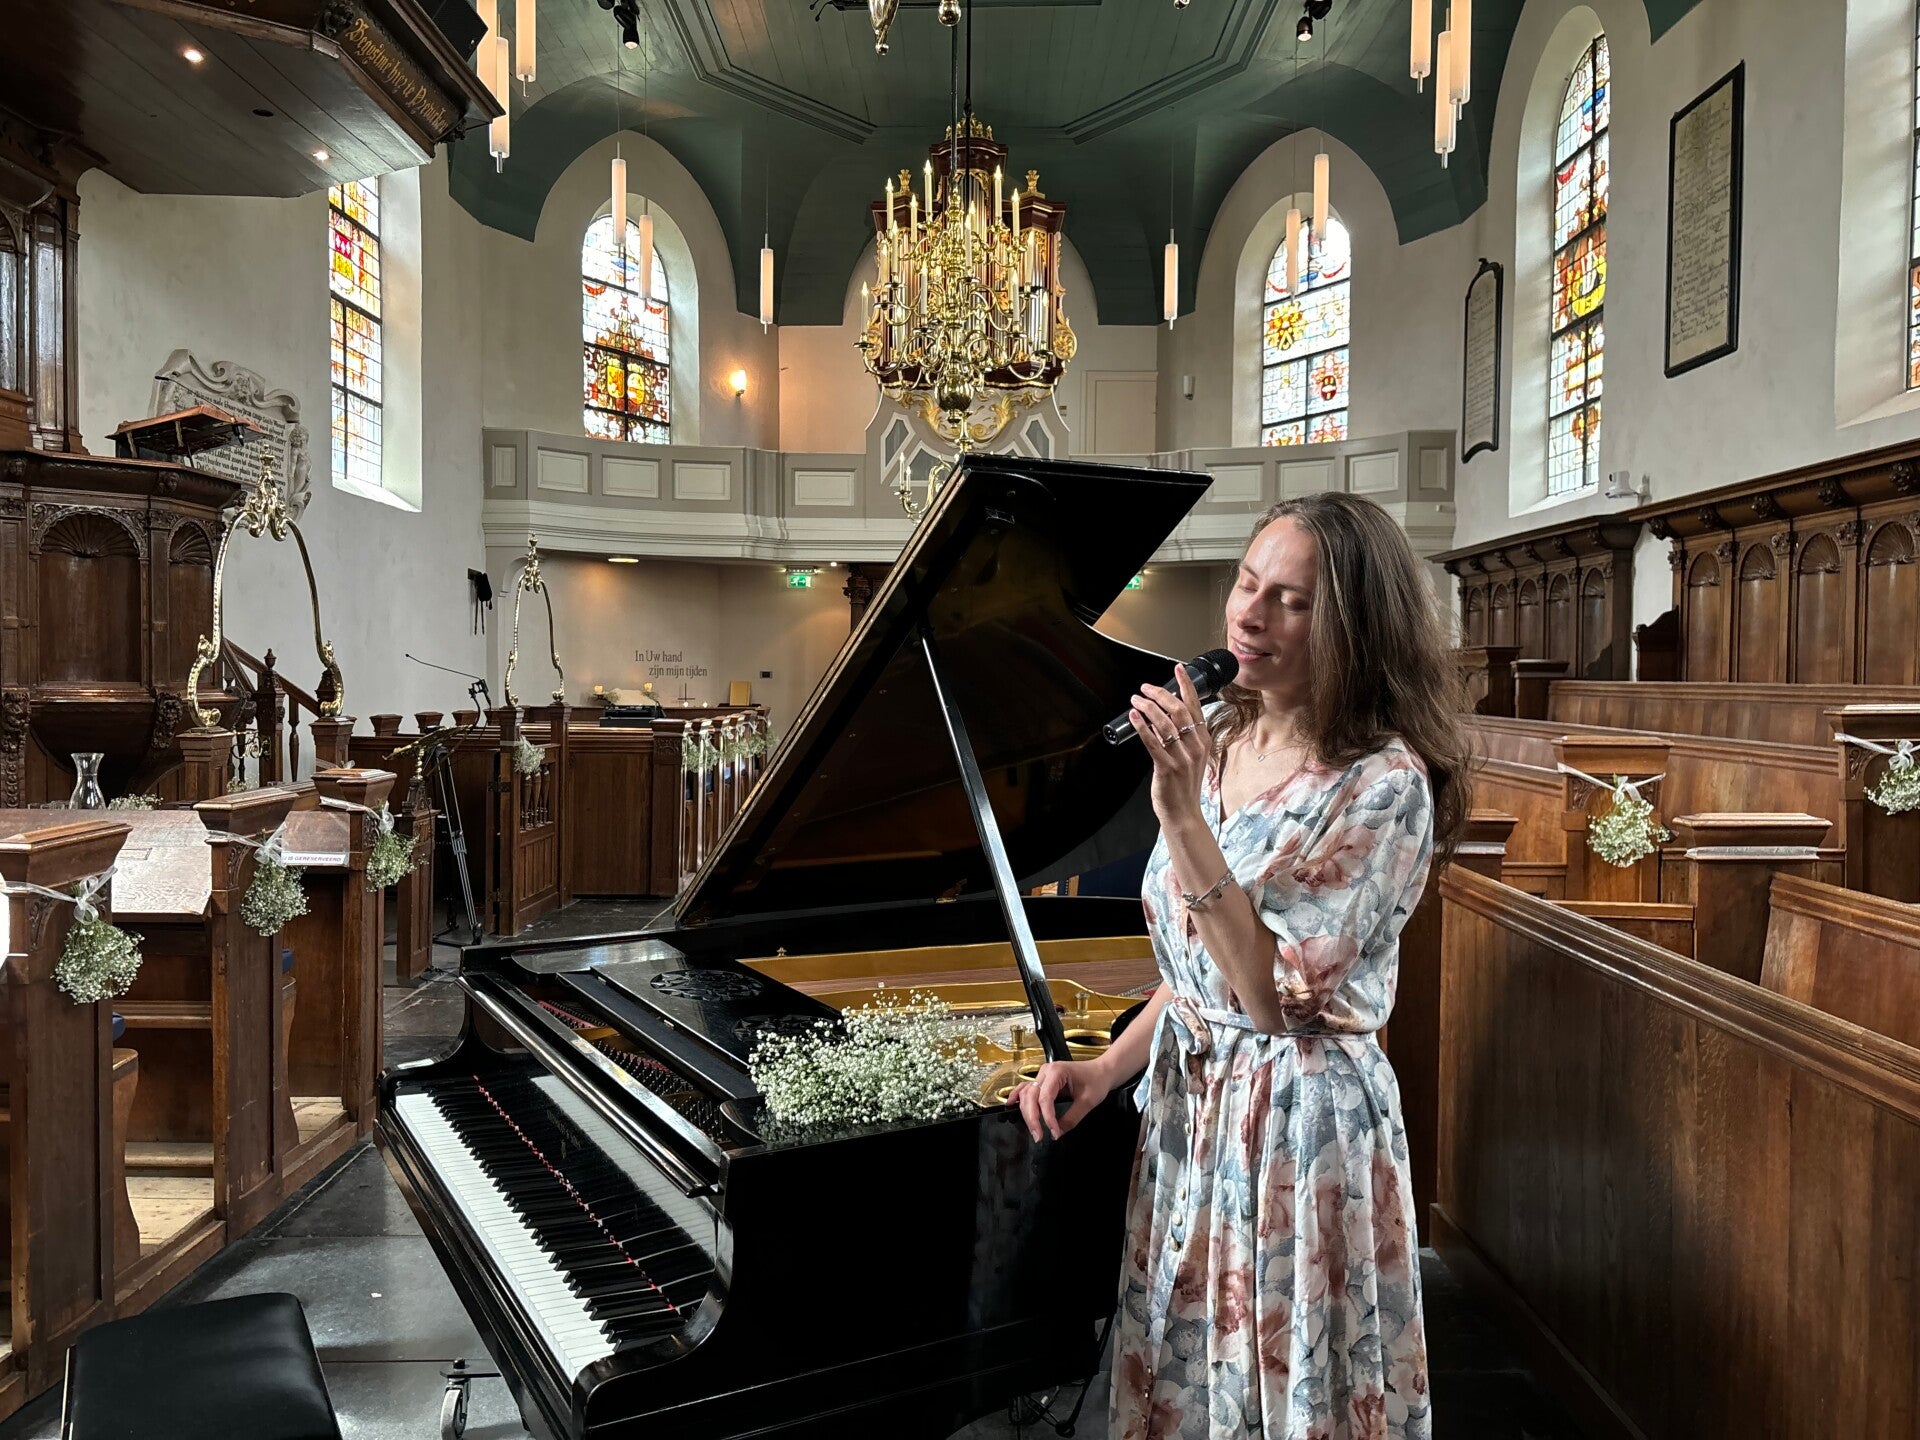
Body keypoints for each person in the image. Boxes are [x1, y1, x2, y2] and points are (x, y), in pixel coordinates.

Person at [1008, 493, 1470, 1440]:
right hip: (1196, 1110)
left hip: (1300, 1130)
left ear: (1353, 628)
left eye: (1291, 601)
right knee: (1190, 1374)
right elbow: (1197, 976)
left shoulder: (1383, 784)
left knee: (1284, 1383)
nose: (1251, 616)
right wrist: (1103, 1070)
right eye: (1247, 585)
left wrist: (1178, 816)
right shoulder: (1223, 737)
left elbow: (1269, 996)